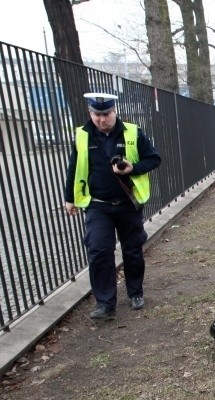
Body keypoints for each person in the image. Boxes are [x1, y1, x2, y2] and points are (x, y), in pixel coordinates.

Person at [64, 93, 162, 320]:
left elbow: (154, 159)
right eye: (96, 115)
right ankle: (105, 303)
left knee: (133, 250)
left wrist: (132, 168)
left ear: (114, 111)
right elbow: (73, 169)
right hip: (98, 205)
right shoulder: (82, 136)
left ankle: (135, 292)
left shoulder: (132, 132)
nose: (101, 120)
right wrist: (70, 198)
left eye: (105, 114)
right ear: (90, 113)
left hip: (128, 203)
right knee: (99, 251)